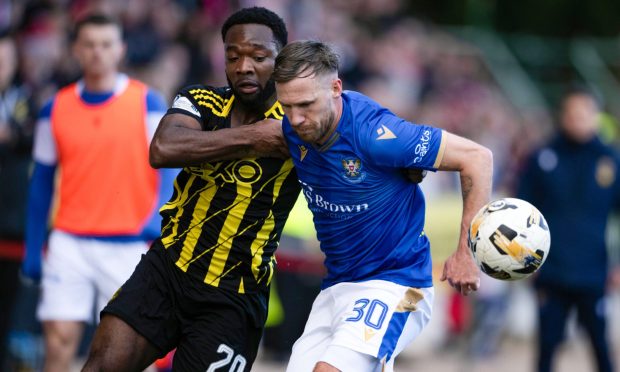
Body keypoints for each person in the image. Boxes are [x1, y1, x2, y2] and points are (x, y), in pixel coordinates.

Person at [81, 7, 300, 372]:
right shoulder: (202, 99)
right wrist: (254, 138)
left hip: (234, 295)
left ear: (280, 60)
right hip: (167, 269)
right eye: (233, 56)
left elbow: (356, 144)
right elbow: (163, 148)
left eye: (259, 57)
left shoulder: (297, 124)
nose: (244, 66)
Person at [272, 40, 494, 372]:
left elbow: (478, 158)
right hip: (336, 287)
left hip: (398, 285)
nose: (296, 118)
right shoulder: (292, 128)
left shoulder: (375, 134)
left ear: (336, 88)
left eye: (305, 105)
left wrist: (467, 251)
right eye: (286, 106)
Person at [21, 14, 174, 372]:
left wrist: (158, 216)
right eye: (89, 44)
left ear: (119, 49)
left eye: (106, 44)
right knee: (57, 342)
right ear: (76, 49)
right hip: (69, 241)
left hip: (128, 244)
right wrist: (32, 246)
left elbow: (171, 165)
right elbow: (41, 182)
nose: (97, 53)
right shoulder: (54, 108)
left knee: (133, 353)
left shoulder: (146, 103)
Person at [517, 86, 620, 372]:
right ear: (562, 115)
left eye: (584, 113)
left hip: (594, 273)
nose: (578, 119)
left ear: (596, 116)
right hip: (550, 272)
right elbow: (521, 211)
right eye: (572, 113)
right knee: (547, 348)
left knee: (601, 347)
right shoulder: (541, 157)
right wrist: (525, 261)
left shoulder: (611, 160)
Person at [0, 30, 36, 369]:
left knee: (10, 306)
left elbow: (26, 136)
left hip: (10, 225)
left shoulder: (25, 97)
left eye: (6, 61)